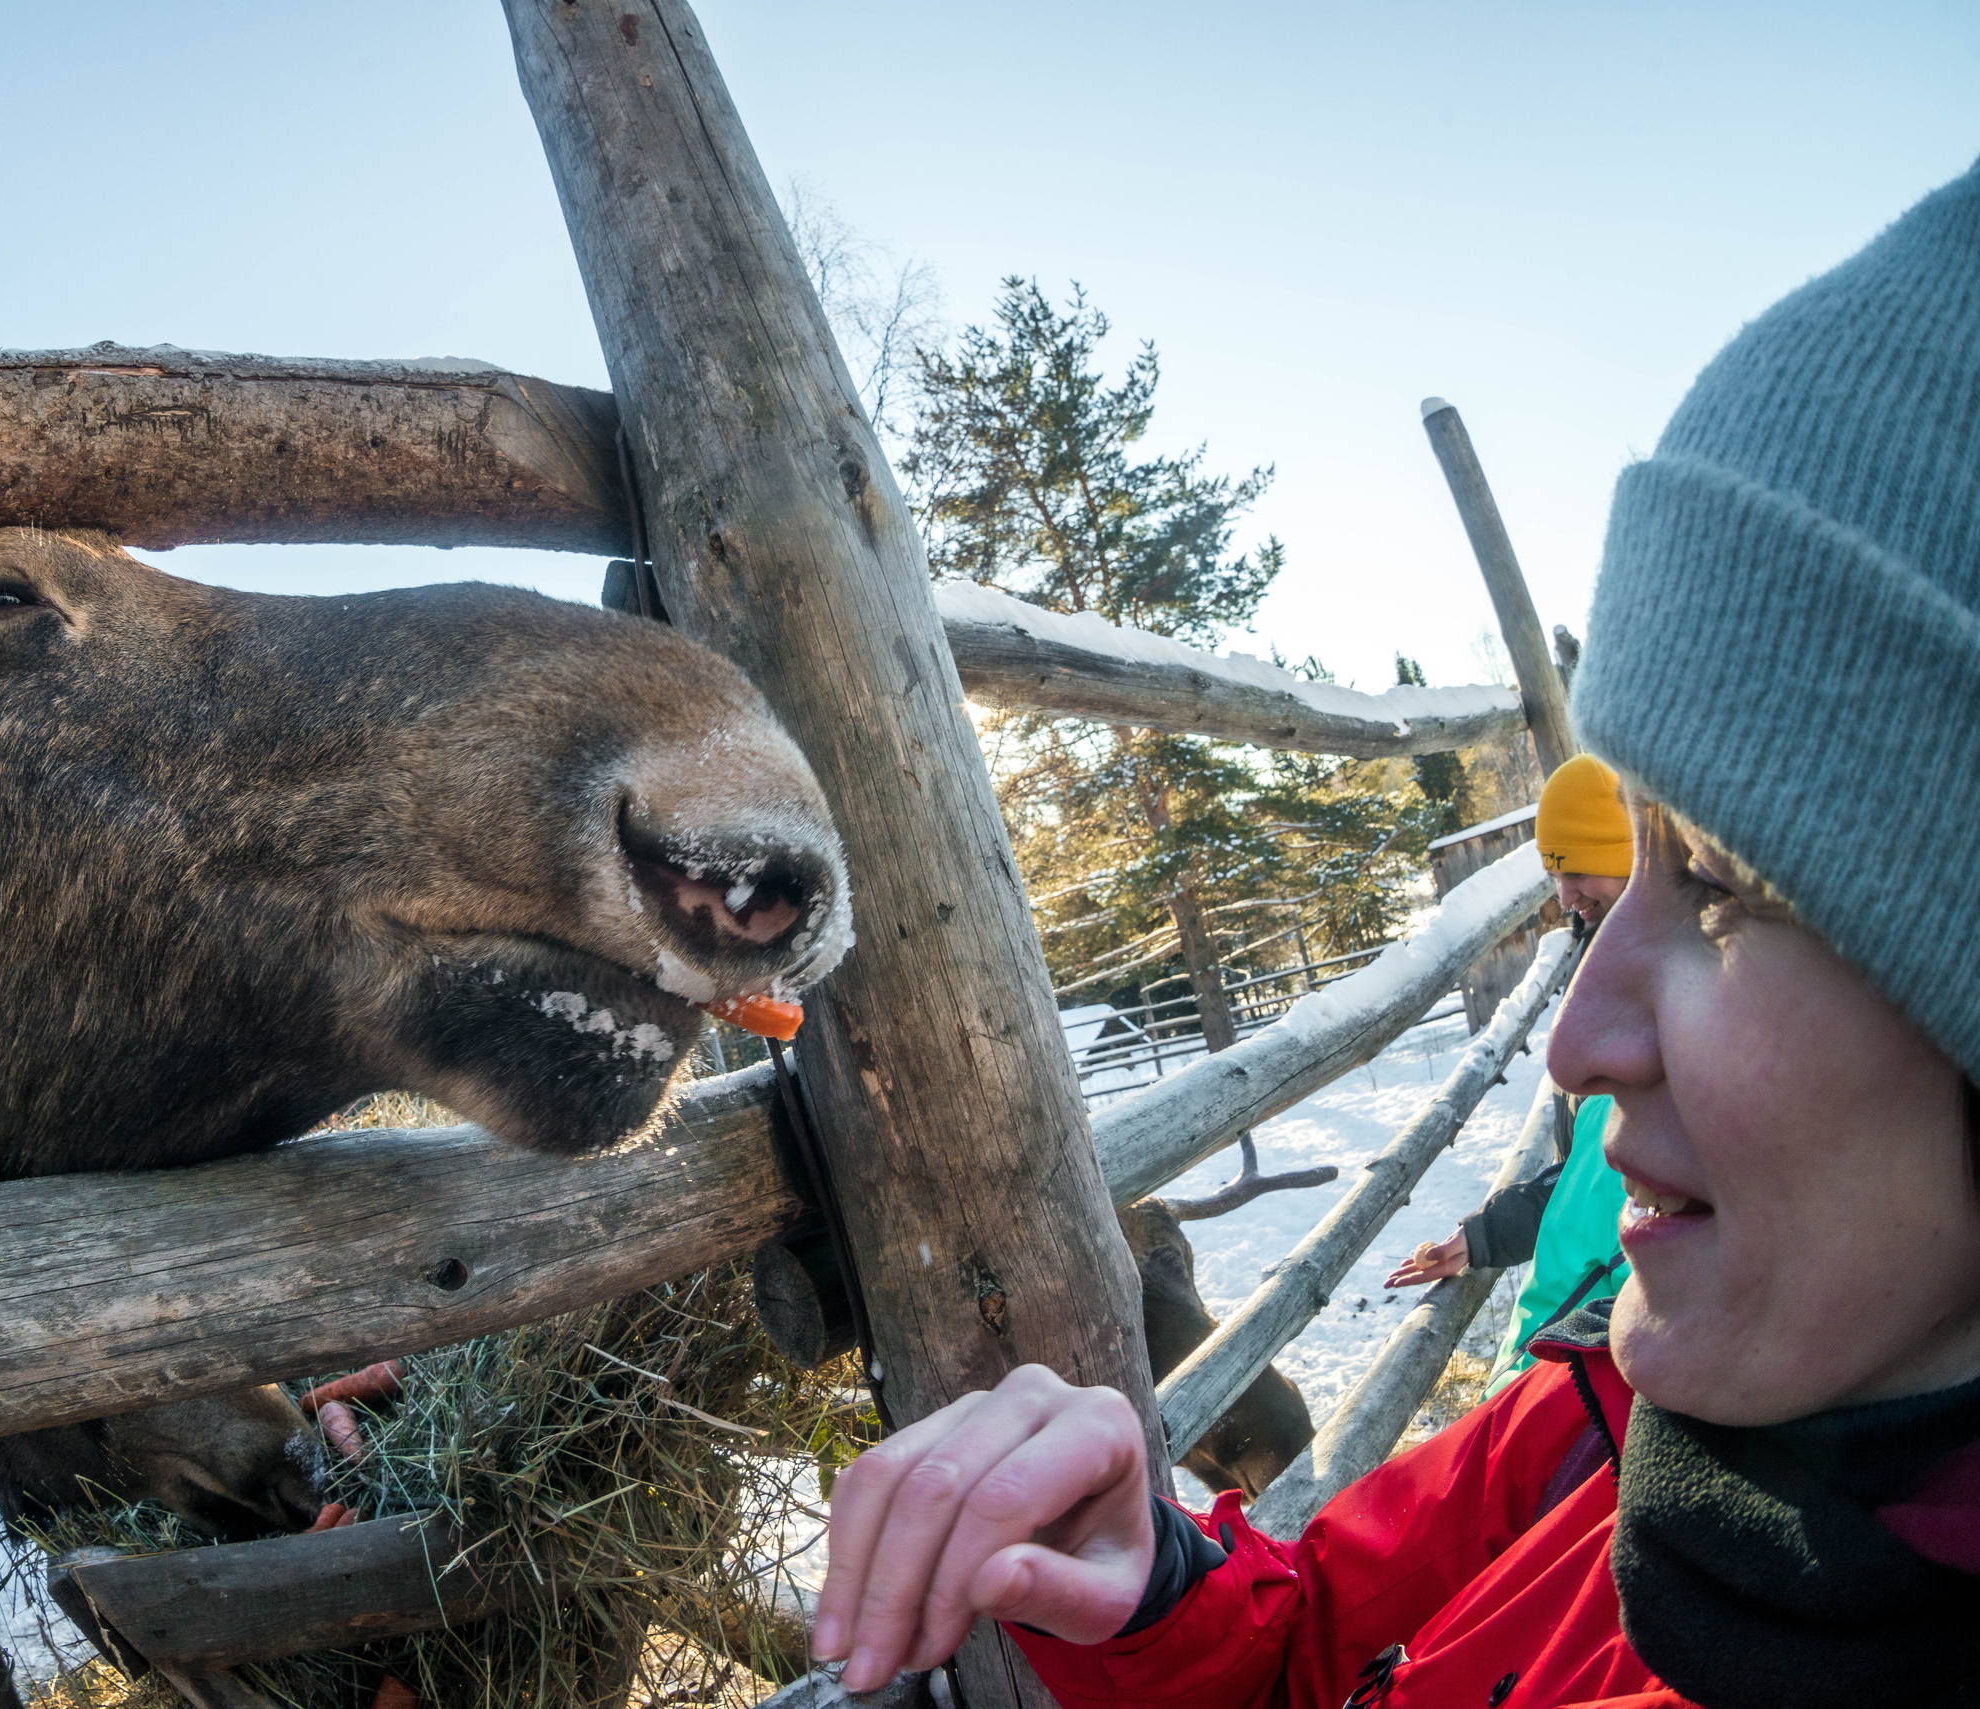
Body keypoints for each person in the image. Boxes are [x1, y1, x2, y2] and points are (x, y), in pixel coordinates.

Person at [812, 157, 1980, 1707]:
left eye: (1727, 886)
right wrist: (1157, 1587)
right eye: (1618, 871)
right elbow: (1318, 1643)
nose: (1576, 1031)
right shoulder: (1604, 1422)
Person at [1386, 755, 1635, 1395]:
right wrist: (1482, 1234)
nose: (1564, 898)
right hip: (1559, 1353)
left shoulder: (1680, 1010)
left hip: (1597, 1366)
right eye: (1555, 875)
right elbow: (1588, 1174)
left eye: (1577, 870)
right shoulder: (1611, 977)